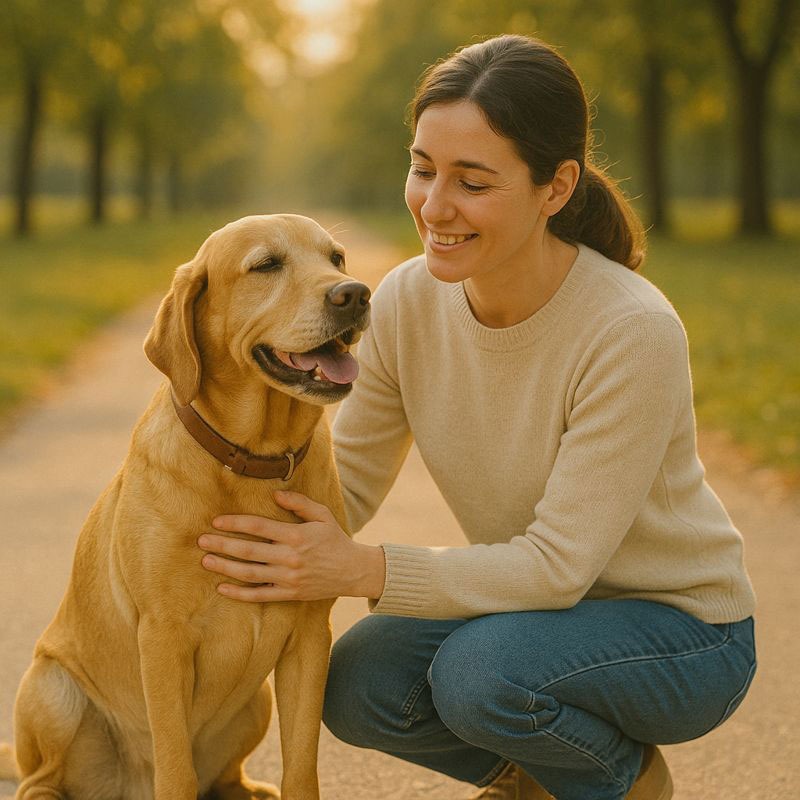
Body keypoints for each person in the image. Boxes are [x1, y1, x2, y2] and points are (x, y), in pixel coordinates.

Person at [197, 34, 757, 800]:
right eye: (423, 168)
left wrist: (362, 567)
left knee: (479, 674)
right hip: (529, 615)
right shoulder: (403, 303)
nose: (435, 205)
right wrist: (197, 529)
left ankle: (620, 780)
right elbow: (343, 488)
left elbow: (560, 567)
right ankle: (537, 777)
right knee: (358, 679)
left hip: (683, 635)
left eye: (473, 182)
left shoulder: (630, 331)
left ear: (555, 187)